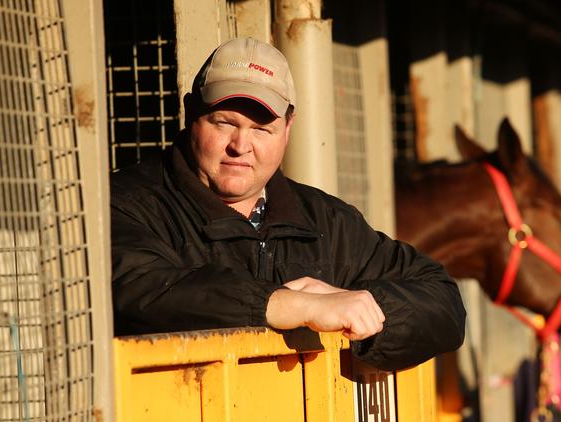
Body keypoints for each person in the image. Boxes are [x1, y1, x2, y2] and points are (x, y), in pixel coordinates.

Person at [110, 36, 466, 371]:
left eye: (262, 129)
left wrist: (362, 306)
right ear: (190, 113)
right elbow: (138, 286)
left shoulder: (325, 221)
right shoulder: (125, 204)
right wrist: (288, 304)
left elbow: (444, 302)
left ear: (288, 128)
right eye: (223, 123)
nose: (240, 145)